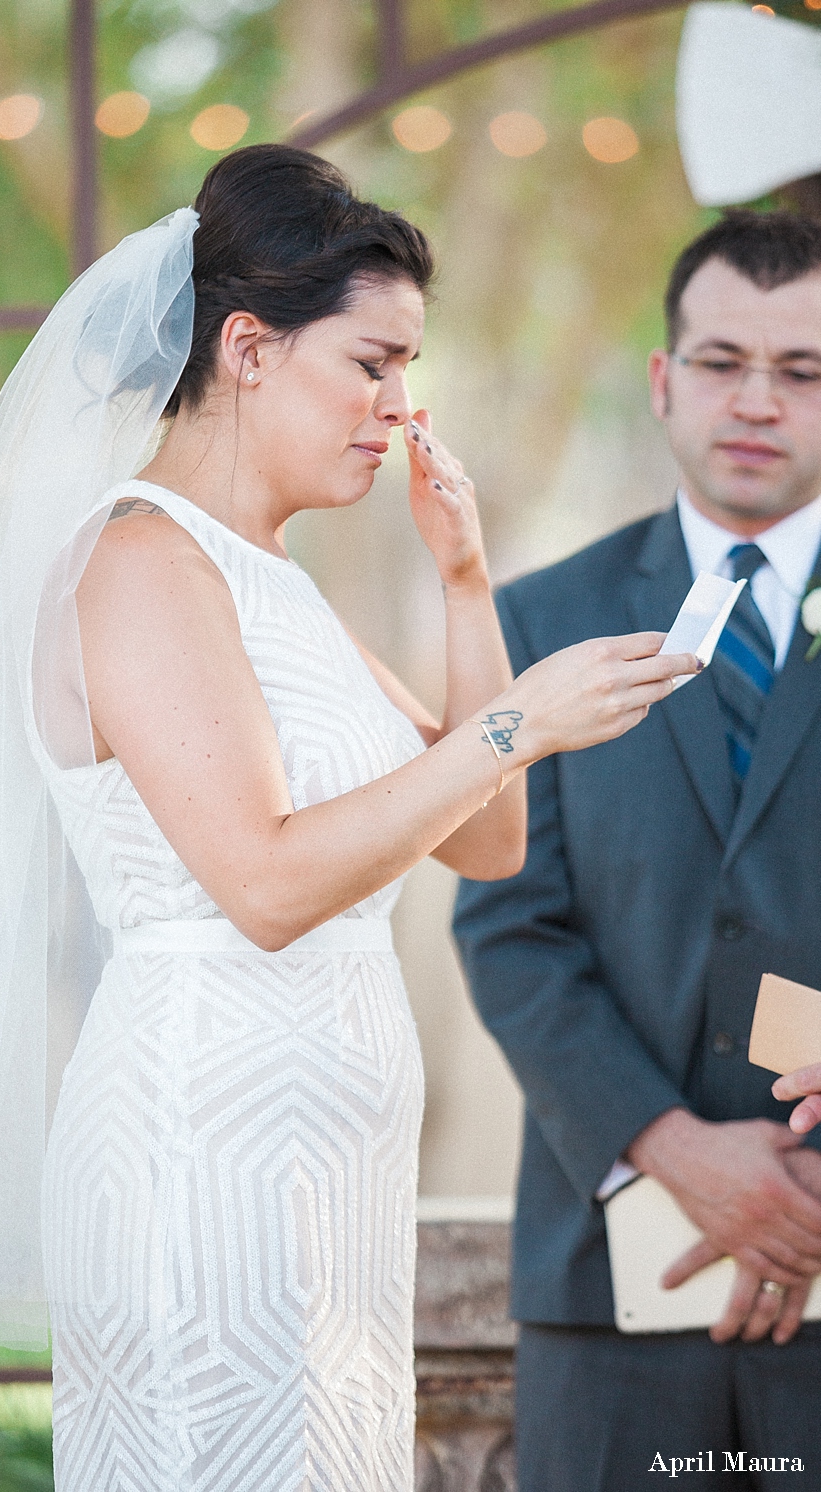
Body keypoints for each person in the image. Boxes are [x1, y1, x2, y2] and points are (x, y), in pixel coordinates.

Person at [0, 145, 694, 1492]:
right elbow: (267, 886)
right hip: (204, 1157)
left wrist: (464, 587)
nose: (399, 409)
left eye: (407, 371)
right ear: (244, 347)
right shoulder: (138, 562)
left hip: (328, 1180)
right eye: (370, 363)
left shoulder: (274, 581)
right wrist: (520, 718)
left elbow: (484, 839)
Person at [454, 208, 821, 1492]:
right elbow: (506, 924)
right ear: (664, 383)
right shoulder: (538, 616)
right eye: (722, 362)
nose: (756, 401)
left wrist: (797, 1196)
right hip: (606, 1283)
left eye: (802, 370)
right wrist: (672, 1148)